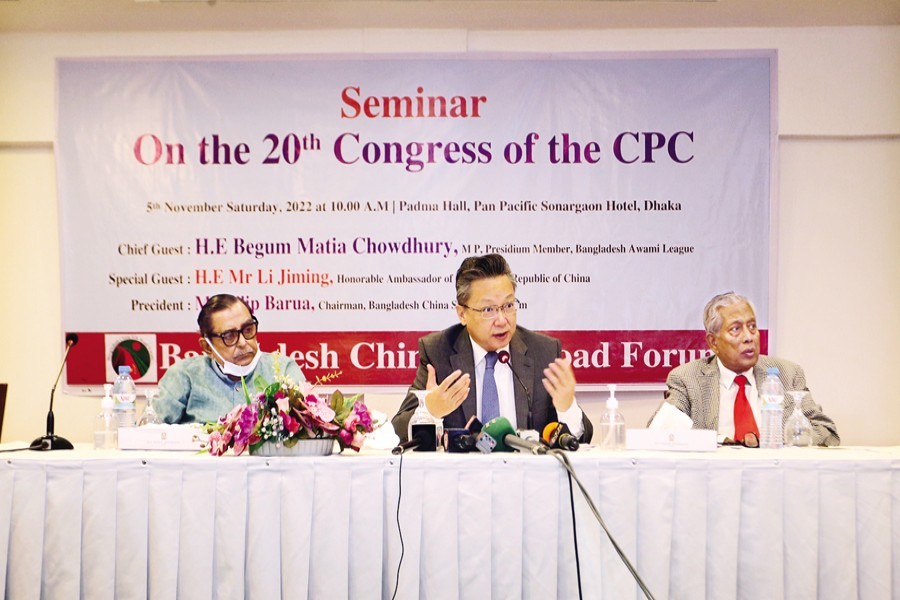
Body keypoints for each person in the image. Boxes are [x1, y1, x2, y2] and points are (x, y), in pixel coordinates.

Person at [391, 254, 593, 443]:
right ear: (462, 314)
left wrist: (567, 409)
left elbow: (582, 440)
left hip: (528, 477)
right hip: (460, 478)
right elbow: (396, 432)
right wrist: (431, 410)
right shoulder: (438, 352)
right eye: (488, 309)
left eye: (508, 306)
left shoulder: (543, 351)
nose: (502, 320)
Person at [651, 291, 839, 446]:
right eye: (736, 329)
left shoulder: (787, 374)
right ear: (713, 342)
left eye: (752, 326)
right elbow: (660, 432)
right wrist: (720, 442)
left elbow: (826, 431)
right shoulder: (686, 378)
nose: (749, 337)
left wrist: (774, 441)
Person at [155, 293, 305, 424]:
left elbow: (309, 427)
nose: (242, 343)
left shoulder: (284, 370)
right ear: (207, 347)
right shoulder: (184, 376)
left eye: (248, 330)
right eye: (229, 336)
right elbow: (151, 432)